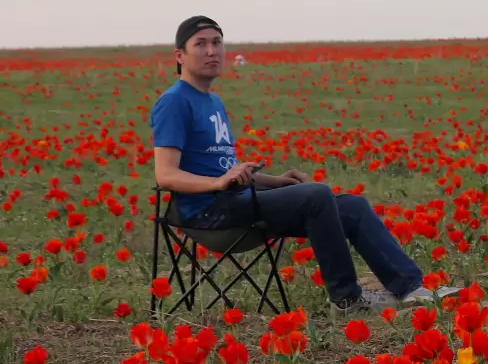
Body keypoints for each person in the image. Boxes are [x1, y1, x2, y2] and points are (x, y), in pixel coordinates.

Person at [150, 16, 457, 311]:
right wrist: (217, 184)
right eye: (200, 44)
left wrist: (278, 182)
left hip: (235, 201)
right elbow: (165, 176)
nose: (212, 51)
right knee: (317, 195)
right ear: (180, 55)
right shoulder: (175, 101)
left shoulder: (212, 101)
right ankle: (346, 299)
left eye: (217, 42)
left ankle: (411, 288)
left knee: (352, 206)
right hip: (207, 215)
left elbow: (227, 173)